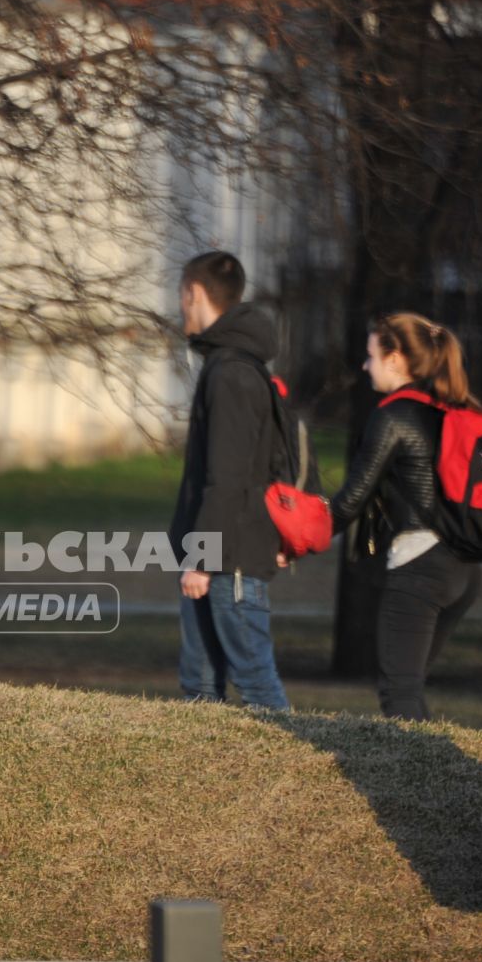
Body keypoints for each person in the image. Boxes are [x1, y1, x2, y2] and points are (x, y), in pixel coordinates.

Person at [328, 313, 482, 720]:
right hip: (464, 568)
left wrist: (292, 542)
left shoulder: (392, 415)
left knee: (399, 695)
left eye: (371, 356)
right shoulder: (446, 408)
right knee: (409, 688)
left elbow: (350, 501)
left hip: (422, 566)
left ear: (395, 358)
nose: (365, 366)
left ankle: (426, 781)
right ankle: (435, 774)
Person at [168, 250, 291, 710]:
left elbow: (229, 476)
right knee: (199, 690)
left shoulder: (233, 374)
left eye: (182, 296)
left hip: (227, 562)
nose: (180, 306)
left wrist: (202, 557)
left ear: (195, 293)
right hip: (214, 557)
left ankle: (295, 772)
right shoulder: (228, 366)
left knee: (257, 685)